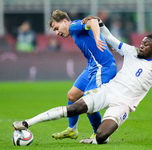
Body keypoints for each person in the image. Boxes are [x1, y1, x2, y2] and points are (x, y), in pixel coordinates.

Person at [13, 16, 152, 144]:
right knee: (74, 107)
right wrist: (100, 22)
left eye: (146, 45)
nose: (141, 45)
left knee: (102, 136)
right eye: (142, 42)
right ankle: (27, 122)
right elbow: (109, 38)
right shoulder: (130, 51)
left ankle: (95, 137)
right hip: (109, 90)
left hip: (123, 105)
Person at [19, 10, 117, 140]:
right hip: (92, 66)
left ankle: (100, 134)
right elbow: (93, 29)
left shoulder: (73, 26)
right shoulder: (74, 30)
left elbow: (93, 21)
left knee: (88, 101)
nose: (57, 33)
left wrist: (99, 38)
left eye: (57, 28)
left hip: (103, 67)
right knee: (72, 95)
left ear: (65, 21)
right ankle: (72, 129)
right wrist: (107, 43)